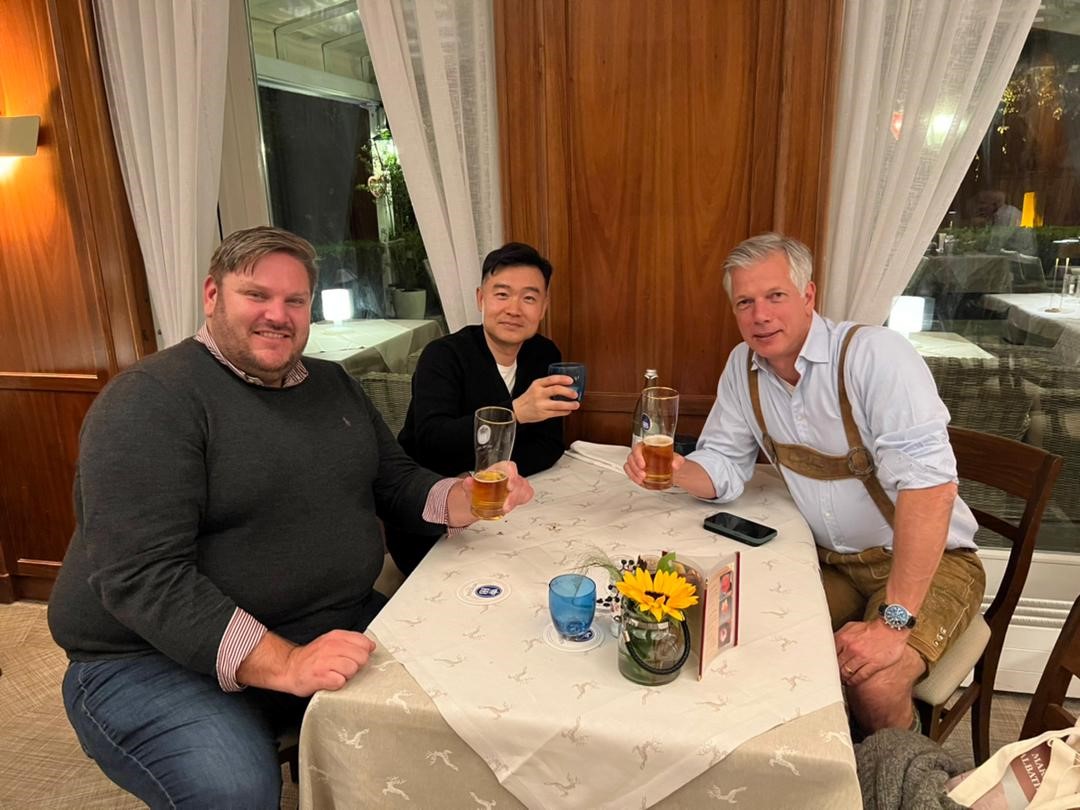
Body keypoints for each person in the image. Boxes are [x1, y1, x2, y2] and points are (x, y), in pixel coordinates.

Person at [47, 226, 534, 808]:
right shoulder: (150, 399)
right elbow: (145, 577)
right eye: (257, 295)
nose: (277, 315)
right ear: (212, 295)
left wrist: (461, 497)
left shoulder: (333, 384)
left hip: (326, 621)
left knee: (475, 699)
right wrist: (286, 663)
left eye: (294, 300)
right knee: (234, 790)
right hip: (149, 658)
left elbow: (395, 481)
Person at [624, 233, 985, 736]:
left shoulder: (874, 355)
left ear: (808, 295)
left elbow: (931, 489)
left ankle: (900, 776)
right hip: (830, 560)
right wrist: (675, 470)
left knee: (875, 682)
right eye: (745, 302)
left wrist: (893, 623)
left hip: (931, 561)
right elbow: (724, 464)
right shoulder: (743, 369)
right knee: (746, 639)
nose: (760, 315)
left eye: (775, 296)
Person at [390, 242, 578, 573]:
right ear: (481, 299)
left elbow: (549, 445)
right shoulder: (443, 356)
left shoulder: (544, 354)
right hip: (431, 519)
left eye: (529, 298)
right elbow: (431, 441)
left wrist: (491, 477)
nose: (514, 309)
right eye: (502, 294)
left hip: (505, 507)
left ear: (543, 307)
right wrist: (515, 412)